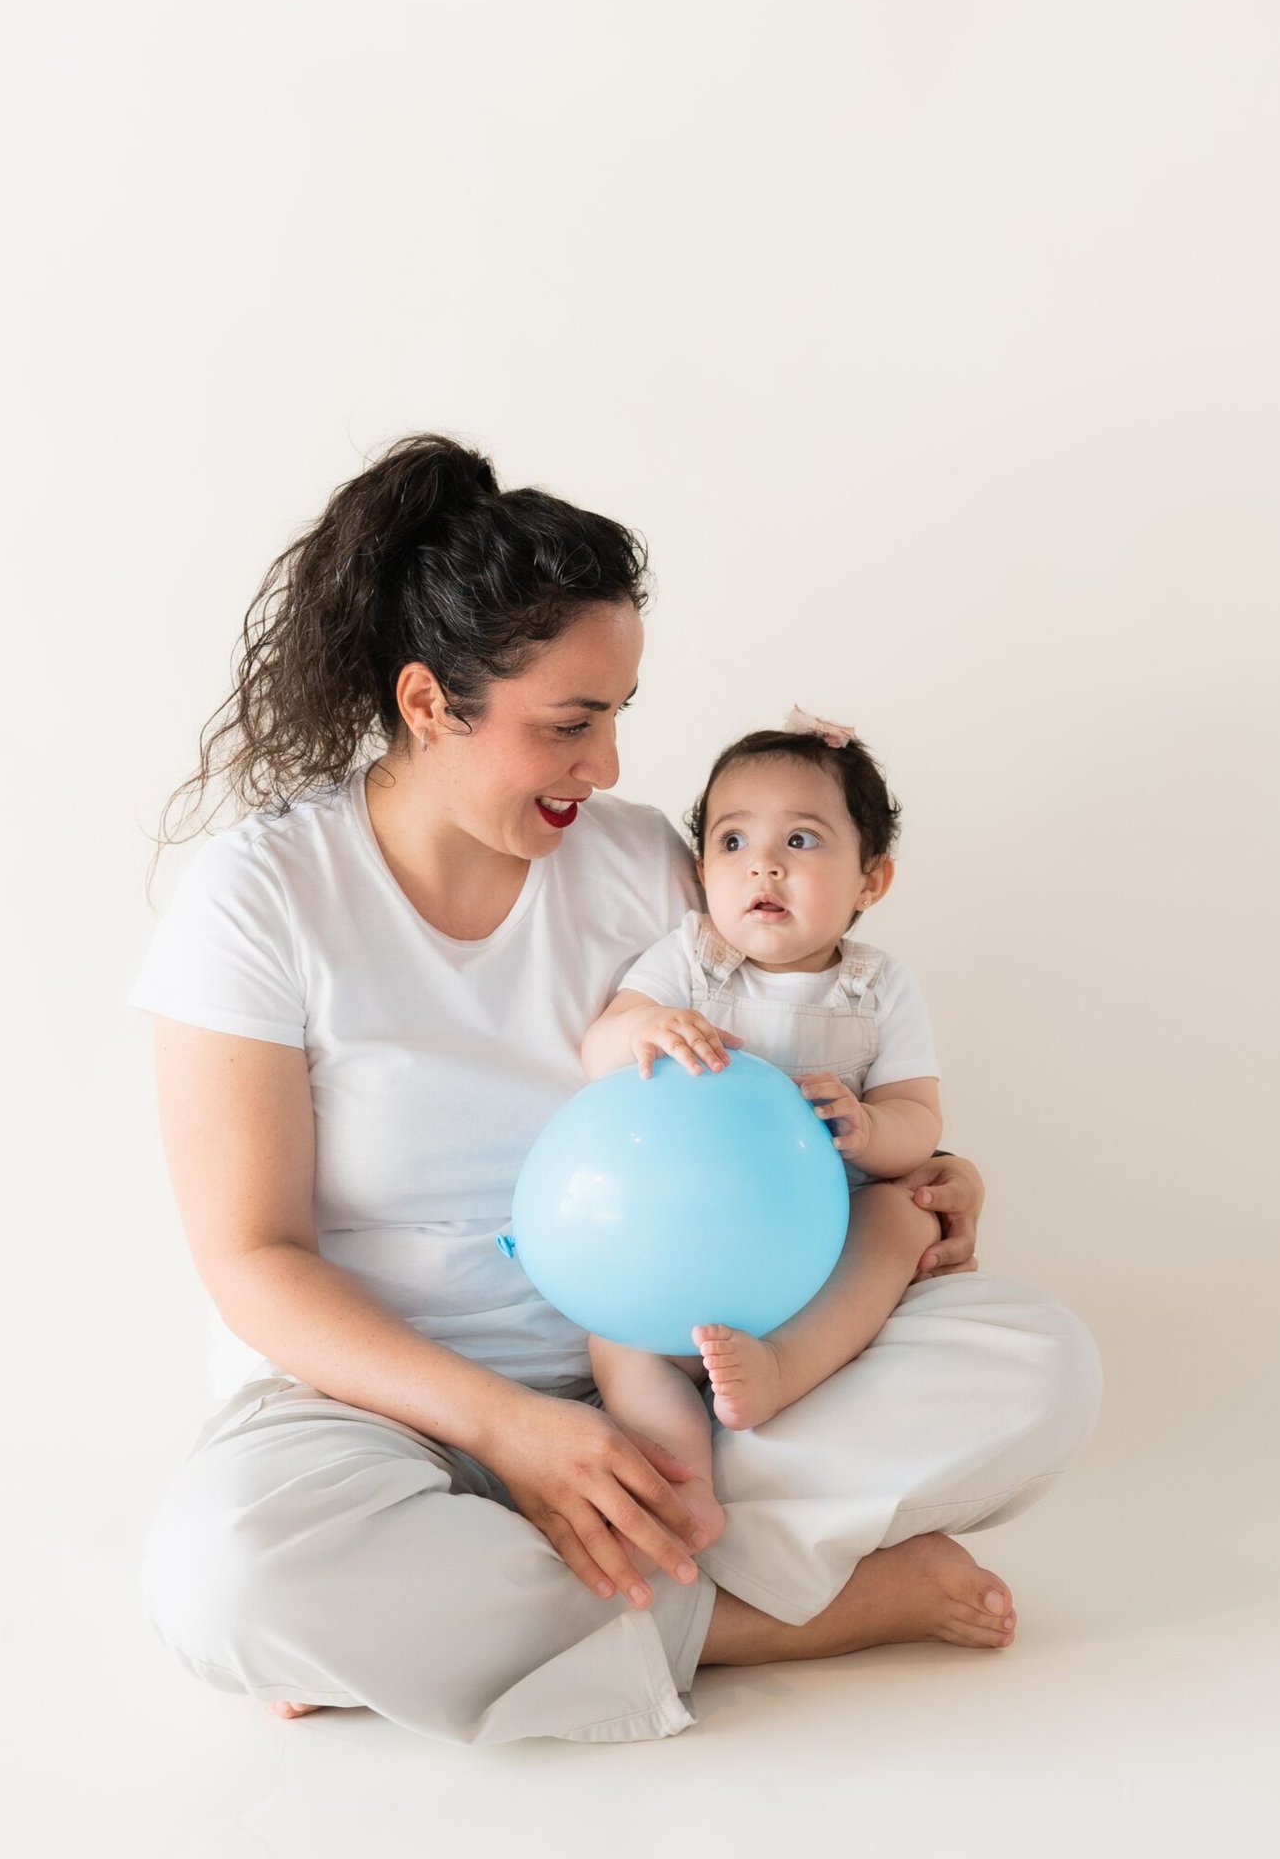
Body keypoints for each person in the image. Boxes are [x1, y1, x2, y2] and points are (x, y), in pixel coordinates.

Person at [128, 430, 1102, 1748]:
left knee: (1038, 1365)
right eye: (570, 725)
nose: (612, 769)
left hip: (665, 1389)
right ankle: (786, 1616)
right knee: (230, 1580)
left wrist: (915, 1176)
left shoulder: (646, 869)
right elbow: (253, 1259)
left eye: (621, 715)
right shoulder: (261, 899)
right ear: (429, 704)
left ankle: (475, 1621)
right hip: (367, 1416)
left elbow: (787, 1097)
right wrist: (516, 1436)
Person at [580, 707, 951, 1552]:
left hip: (816, 1254)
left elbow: (920, 1125)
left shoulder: (877, 990)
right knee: (615, 1333)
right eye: (734, 842)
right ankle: (682, 1486)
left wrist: (864, 1127)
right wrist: (642, 1032)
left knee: (903, 1214)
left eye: (804, 842)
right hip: (685, 1236)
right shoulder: (689, 959)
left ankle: (787, 1368)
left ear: (872, 881)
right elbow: (600, 1044)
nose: (766, 867)